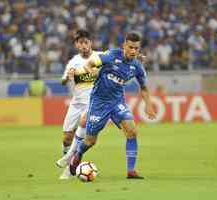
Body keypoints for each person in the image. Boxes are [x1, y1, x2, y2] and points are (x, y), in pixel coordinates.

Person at [68, 32, 157, 179]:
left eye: (136, 48)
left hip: (117, 102)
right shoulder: (111, 56)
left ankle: (131, 171)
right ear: (124, 46)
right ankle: (78, 154)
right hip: (99, 102)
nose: (133, 51)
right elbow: (89, 63)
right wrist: (92, 71)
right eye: (130, 47)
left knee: (132, 132)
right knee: (90, 141)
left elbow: (144, 87)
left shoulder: (137, 67)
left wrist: (148, 105)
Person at [58, 29, 100, 179]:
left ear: (90, 43)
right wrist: (67, 77)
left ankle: (69, 167)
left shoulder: (99, 57)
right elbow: (63, 81)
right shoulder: (74, 61)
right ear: (76, 45)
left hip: (93, 103)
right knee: (66, 138)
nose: (83, 45)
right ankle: (68, 158)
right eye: (80, 42)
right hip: (76, 104)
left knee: (81, 132)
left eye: (86, 42)